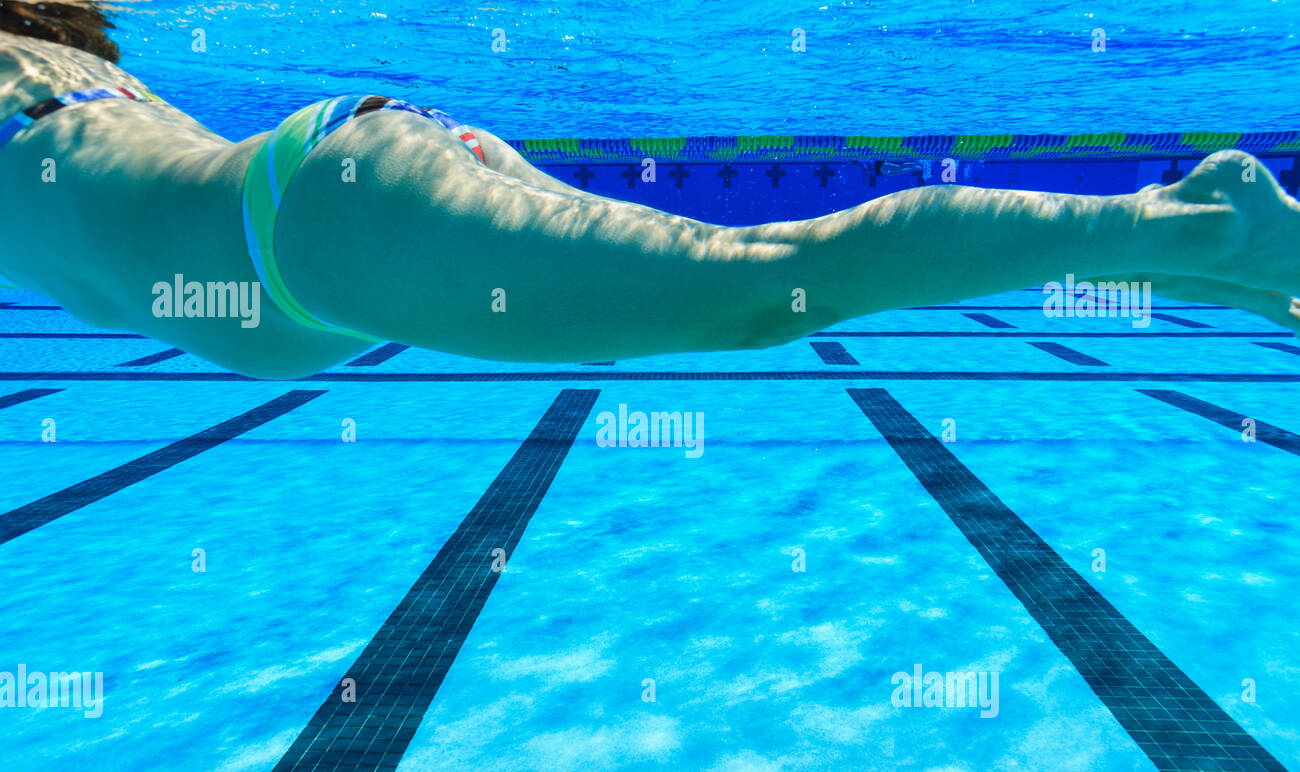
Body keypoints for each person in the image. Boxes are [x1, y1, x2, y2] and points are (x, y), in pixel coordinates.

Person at [0, 2, 1296, 380]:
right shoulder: (59, 69)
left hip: (319, 234)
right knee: (756, 282)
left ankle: (1199, 219)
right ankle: (1205, 256)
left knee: (761, 288)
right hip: (337, 189)